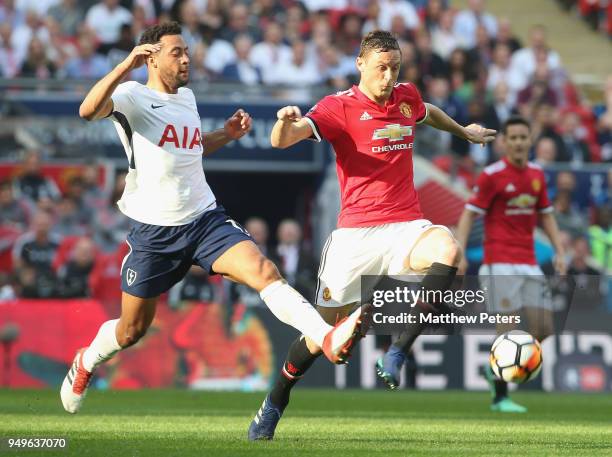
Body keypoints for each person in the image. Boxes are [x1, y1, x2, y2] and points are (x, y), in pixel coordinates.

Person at [60, 21, 366, 415]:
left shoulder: (186, 98)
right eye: (177, 52)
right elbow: (86, 111)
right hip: (155, 233)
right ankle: (86, 361)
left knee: (264, 271)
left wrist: (226, 134)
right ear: (150, 58)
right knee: (131, 330)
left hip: (204, 219)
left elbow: (191, 149)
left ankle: (326, 337)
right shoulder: (132, 95)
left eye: (186, 51)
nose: (186, 58)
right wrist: (126, 64)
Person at [248, 30, 496, 441]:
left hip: (405, 224)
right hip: (355, 236)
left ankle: (398, 350)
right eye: (381, 67)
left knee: (448, 250)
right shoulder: (338, 108)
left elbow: (426, 111)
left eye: (395, 67)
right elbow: (283, 141)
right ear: (360, 64)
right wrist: (281, 124)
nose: (388, 76)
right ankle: (275, 400)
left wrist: (463, 133)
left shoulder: (405, 96)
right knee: (318, 335)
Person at [456, 116, 567, 413]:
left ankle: (495, 370)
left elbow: (546, 214)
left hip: (528, 261)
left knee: (544, 328)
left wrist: (559, 250)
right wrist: (461, 252)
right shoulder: (492, 175)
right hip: (498, 262)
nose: (518, 142)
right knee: (507, 330)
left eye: (523, 137)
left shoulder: (537, 175)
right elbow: (469, 214)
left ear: (530, 141)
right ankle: (500, 397)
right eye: (513, 138)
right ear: (504, 142)